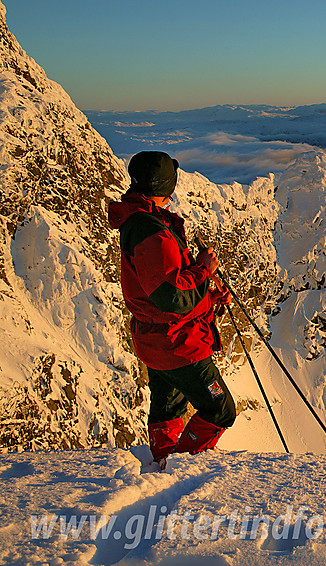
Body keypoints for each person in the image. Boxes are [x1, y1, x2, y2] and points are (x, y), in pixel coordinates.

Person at [107, 151, 236, 468]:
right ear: (168, 184)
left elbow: (160, 290)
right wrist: (204, 270)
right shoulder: (153, 233)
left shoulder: (144, 223)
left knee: (169, 406)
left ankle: (162, 462)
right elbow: (171, 296)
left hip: (157, 340)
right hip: (177, 344)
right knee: (220, 409)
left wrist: (209, 297)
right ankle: (179, 464)